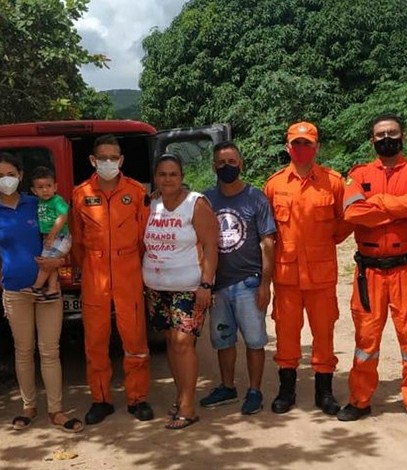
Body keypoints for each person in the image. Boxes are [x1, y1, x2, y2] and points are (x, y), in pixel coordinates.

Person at [339, 114, 407, 427]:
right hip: (369, 273)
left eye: (392, 133)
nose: (386, 139)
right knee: (366, 341)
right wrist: (396, 207)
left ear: (402, 135)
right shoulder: (358, 173)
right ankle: (360, 400)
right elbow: (353, 211)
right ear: (372, 140)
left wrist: (376, 202)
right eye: (380, 134)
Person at [0, 152, 83, 433]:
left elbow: (62, 235)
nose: (5, 180)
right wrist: (4, 278)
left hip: (48, 291)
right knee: (23, 352)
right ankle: (28, 406)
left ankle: (56, 410)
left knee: (50, 351)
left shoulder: (37, 203)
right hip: (15, 291)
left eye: (10, 174)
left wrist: (58, 262)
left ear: (21, 176)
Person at [263, 122, 352, 415]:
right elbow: (267, 231)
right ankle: (286, 391)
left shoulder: (334, 182)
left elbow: (344, 223)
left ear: (317, 147)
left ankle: (324, 392)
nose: (301, 149)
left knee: (323, 333)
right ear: (288, 147)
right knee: (287, 335)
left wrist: (321, 246)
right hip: (286, 276)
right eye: (296, 144)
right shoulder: (275, 184)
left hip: (321, 277)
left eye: (307, 144)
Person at [70, 134, 155, 425]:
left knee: (134, 339)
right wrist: (86, 268)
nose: (108, 162)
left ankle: (137, 398)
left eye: (113, 157)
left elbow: (145, 236)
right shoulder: (80, 193)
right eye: (102, 157)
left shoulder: (134, 191)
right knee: (95, 341)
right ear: (93, 160)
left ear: (121, 160)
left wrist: (135, 266)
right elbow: (77, 240)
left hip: (128, 269)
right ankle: (101, 399)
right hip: (94, 272)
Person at [143, 153, 218, 429]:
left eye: (173, 174)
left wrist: (207, 283)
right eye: (162, 174)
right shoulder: (152, 204)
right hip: (156, 287)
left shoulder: (195, 204)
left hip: (189, 287)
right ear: (155, 178)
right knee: (172, 344)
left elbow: (211, 245)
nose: (167, 179)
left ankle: (188, 405)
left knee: (184, 343)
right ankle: (180, 395)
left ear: (182, 176)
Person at [199, 142, 275, 415]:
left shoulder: (256, 198)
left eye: (232, 162)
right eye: (221, 163)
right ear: (213, 166)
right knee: (224, 340)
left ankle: (254, 390)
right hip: (218, 284)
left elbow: (268, 242)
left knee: (254, 341)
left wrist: (266, 284)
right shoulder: (206, 200)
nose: (226, 167)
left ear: (241, 164)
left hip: (248, 282)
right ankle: (227, 387)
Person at [22, 166, 71, 302]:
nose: (45, 190)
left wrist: (52, 235)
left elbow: (63, 216)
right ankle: (52, 289)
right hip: (49, 237)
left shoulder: (57, 201)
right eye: (40, 187)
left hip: (59, 237)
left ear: (55, 187)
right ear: (34, 190)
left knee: (46, 263)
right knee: (51, 265)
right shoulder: (39, 202)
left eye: (48, 186)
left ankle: (37, 287)